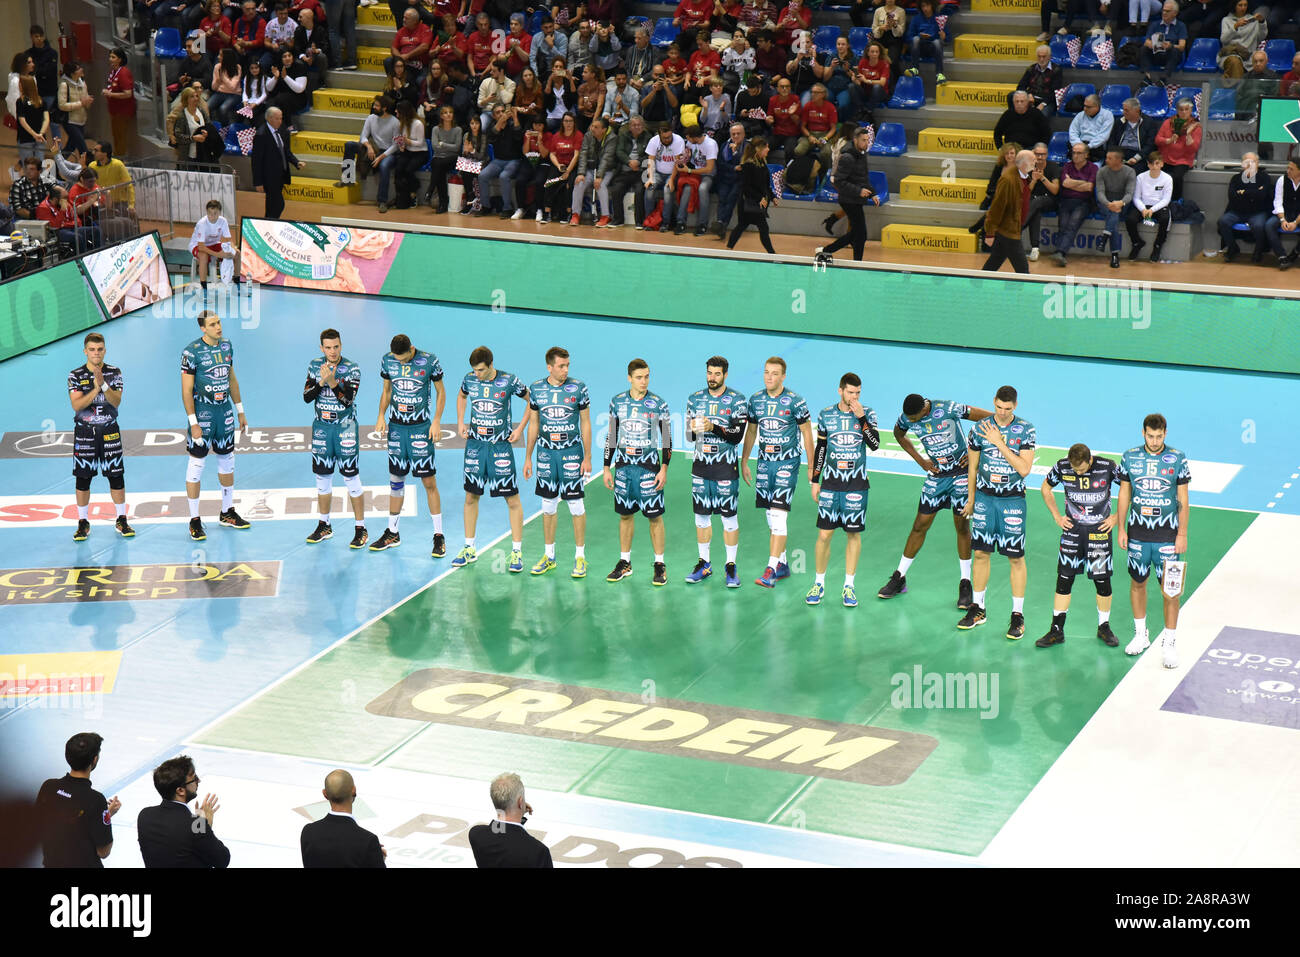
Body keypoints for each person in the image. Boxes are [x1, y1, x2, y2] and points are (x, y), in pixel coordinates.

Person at [878, 394, 993, 609]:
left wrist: (976, 450)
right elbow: (898, 434)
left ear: (924, 409)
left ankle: (965, 583)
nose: (911, 422)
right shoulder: (907, 417)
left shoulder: (949, 408)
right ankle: (899, 576)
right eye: (909, 419)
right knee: (920, 525)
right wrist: (920, 460)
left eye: (914, 418)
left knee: (961, 527)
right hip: (937, 476)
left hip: (961, 474)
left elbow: (990, 420)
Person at [957, 385, 1037, 638]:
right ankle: (978, 608)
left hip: (1012, 500)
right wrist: (970, 499)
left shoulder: (1026, 429)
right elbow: (972, 468)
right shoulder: (979, 429)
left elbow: (1024, 469)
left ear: (1015, 406)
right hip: (984, 499)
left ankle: (1017, 615)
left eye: (1008, 409)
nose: (1002, 413)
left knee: (1015, 558)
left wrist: (999, 444)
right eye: (999, 408)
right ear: (993, 402)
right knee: (980, 553)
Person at [1116, 413, 1190, 668]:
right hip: (1138, 533)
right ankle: (1141, 634)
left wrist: (1182, 533)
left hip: (1167, 535)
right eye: (1151, 435)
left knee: (1170, 590)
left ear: (1165, 434)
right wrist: (1121, 528)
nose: (1155, 440)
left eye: (1159, 436)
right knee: (1138, 583)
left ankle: (1169, 642)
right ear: (1143, 433)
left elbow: (1183, 498)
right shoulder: (1129, 457)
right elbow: (1124, 492)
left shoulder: (1178, 458)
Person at [803, 373, 879, 608]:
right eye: (850, 392)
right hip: (831, 484)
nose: (854, 397)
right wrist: (815, 480)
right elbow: (822, 449)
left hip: (856, 485)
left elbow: (874, 444)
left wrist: (862, 418)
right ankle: (818, 583)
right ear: (840, 391)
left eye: (857, 393)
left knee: (853, 535)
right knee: (824, 535)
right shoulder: (826, 414)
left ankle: (849, 585)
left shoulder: (867, 413)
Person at [1037, 443, 1122, 648]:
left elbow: (1130, 488)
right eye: (1076, 471)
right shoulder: (1062, 466)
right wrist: (1057, 517)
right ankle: (1056, 629)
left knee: (1102, 581)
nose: (1079, 473)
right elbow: (1045, 488)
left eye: (1082, 470)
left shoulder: (1107, 467)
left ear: (1090, 460)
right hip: (1072, 532)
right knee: (1064, 579)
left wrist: (1116, 517)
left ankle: (1104, 627)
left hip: (1099, 531)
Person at [454, 346, 529, 570]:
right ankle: (469, 548)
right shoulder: (470, 379)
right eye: (474, 370)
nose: (477, 374)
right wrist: (460, 422)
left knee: (512, 499)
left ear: (491, 365)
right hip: (475, 445)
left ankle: (516, 553)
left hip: (500, 447)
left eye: (481, 370)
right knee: (470, 497)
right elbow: (461, 396)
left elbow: (530, 402)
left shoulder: (509, 381)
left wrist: (520, 428)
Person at [741, 356, 813, 588]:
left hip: (787, 463)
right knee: (770, 516)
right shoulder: (756, 400)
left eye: (774, 373)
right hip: (764, 463)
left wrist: (812, 467)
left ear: (783, 376)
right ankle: (782, 563)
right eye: (766, 372)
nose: (769, 377)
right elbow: (751, 432)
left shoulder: (795, 401)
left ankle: (771, 568)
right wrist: (744, 461)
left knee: (779, 514)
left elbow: (807, 434)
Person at [372, 333, 446, 556]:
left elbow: (441, 392)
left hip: (420, 428)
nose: (401, 362)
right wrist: (380, 416)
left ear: (412, 349)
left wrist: (436, 422)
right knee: (396, 480)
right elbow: (387, 390)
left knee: (428, 481)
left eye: (404, 359)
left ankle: (438, 535)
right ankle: (392, 532)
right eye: (398, 359)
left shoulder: (429, 361)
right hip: (396, 428)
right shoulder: (388, 360)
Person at [522, 346, 592, 577]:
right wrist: (528, 457)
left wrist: (588, 457)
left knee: (576, 506)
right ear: (549, 367)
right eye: (561, 366)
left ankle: (580, 557)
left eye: (567, 365)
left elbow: (586, 423)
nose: (565, 369)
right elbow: (534, 424)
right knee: (548, 505)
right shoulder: (536, 389)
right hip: (546, 454)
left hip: (571, 453)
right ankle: (549, 556)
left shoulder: (578, 388)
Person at [181, 310, 250, 541]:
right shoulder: (191, 352)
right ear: (203, 328)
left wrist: (240, 410)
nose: (218, 327)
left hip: (224, 411)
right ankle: (194, 520)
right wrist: (194, 423)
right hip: (203, 412)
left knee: (227, 460)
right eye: (212, 324)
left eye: (219, 322)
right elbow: (186, 390)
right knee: (197, 464)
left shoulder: (227, 346)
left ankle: (227, 512)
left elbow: (232, 379)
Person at [603, 358, 672, 585]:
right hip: (623, 467)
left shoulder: (658, 404)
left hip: (649, 467)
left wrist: (663, 468)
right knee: (625, 515)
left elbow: (666, 440)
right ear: (629, 378)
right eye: (640, 377)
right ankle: (625, 562)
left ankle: (659, 564)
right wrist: (606, 467)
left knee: (654, 517)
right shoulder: (617, 402)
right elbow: (612, 436)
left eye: (647, 376)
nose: (644, 381)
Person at [683, 356, 748, 587]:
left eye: (717, 374)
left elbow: (737, 436)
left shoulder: (738, 401)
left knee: (728, 518)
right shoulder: (694, 399)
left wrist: (713, 427)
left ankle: (731, 566)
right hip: (700, 466)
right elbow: (689, 438)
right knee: (701, 517)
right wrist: (692, 429)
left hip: (725, 468)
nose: (712, 378)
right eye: (709, 373)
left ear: (725, 375)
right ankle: (705, 564)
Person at [302, 329, 368, 549]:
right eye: (328, 347)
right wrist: (321, 382)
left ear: (341, 345)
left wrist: (332, 382)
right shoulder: (314, 365)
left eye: (336, 347)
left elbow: (347, 401)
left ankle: (361, 528)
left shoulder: (352, 368)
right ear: (322, 348)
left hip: (345, 428)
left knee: (351, 478)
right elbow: (306, 397)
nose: (332, 351)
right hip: (321, 427)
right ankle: (324, 525)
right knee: (322, 479)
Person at [63, 333, 131, 541]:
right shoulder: (75, 375)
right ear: (85, 351)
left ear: (105, 350)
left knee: (116, 476)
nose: (96, 353)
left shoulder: (114, 372)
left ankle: (121, 519)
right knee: (83, 478)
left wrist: (103, 384)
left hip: (110, 431)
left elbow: (116, 401)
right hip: (85, 433)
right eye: (92, 349)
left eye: (99, 349)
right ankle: (83, 522)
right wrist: (95, 388)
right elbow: (77, 405)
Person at [35, 733, 121, 868]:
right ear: (94, 760)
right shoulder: (96, 800)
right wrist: (106, 817)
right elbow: (103, 851)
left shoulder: (49, 787)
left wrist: (103, 814)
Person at [137, 755, 231, 868]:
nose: (199, 780)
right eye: (194, 778)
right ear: (180, 790)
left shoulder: (145, 815)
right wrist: (204, 824)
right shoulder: (196, 825)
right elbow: (222, 860)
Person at [814, 126, 879, 264]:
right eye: (863, 140)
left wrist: (872, 193)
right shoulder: (847, 157)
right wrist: (859, 191)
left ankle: (827, 251)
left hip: (856, 198)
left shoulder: (861, 155)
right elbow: (838, 181)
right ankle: (855, 262)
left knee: (858, 234)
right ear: (855, 140)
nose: (866, 143)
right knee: (861, 234)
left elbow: (863, 179)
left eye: (868, 140)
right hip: (848, 199)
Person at [300, 770, 386, 867]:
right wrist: (378, 859)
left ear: (325, 794)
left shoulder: (309, 832)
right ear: (353, 790)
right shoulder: (368, 841)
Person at [467, 773, 552, 868]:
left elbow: (501, 832)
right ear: (520, 802)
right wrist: (520, 811)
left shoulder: (477, 835)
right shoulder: (539, 852)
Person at [337, 95, 399, 212]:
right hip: (373, 148)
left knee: (384, 166)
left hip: (387, 152)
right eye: (374, 105)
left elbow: (395, 145)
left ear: (384, 108)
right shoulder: (371, 118)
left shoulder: (395, 122)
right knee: (350, 145)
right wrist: (369, 146)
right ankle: (347, 179)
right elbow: (363, 136)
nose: (374, 107)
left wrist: (381, 157)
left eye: (376, 105)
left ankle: (382, 201)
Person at [981, 149, 1035, 273]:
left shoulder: (1023, 177)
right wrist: (989, 233)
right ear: (1024, 163)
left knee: (995, 261)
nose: (1035, 162)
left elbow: (1023, 197)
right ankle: (1019, 290)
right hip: (1008, 230)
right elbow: (997, 207)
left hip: (1014, 227)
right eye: (1033, 160)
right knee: (1023, 270)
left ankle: (976, 283)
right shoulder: (1008, 180)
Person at [250, 105, 305, 219]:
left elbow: (285, 150)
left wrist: (296, 162)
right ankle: (269, 223)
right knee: (279, 204)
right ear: (269, 119)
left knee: (272, 206)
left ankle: (268, 223)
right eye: (277, 118)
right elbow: (256, 161)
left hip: (280, 175)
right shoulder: (261, 135)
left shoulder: (281, 130)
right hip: (269, 177)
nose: (280, 121)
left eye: (281, 118)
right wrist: (258, 182)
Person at [726, 136, 777, 251]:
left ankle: (729, 248)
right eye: (766, 147)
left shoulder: (763, 164)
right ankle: (772, 254)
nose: (768, 149)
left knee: (741, 226)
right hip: (748, 203)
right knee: (763, 228)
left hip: (756, 203)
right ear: (759, 149)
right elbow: (746, 187)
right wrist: (760, 198)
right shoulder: (748, 165)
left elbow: (765, 185)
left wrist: (772, 197)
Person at [1217, 151, 1271, 261]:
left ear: (1258, 164)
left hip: (1258, 212)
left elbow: (1263, 196)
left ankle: (1258, 251)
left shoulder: (1264, 178)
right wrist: (1254, 192)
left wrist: (1243, 192)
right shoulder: (1236, 178)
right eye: (1247, 162)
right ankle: (1232, 248)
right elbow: (1232, 197)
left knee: (1259, 226)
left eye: (1253, 162)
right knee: (1223, 221)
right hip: (1237, 212)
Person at [1053, 141, 1098, 266]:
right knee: (1063, 225)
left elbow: (1089, 187)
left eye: (1079, 153)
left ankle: (1061, 252)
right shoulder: (1067, 166)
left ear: (1086, 155)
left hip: (1083, 202)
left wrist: (1072, 182)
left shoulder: (1093, 168)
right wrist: (1081, 182)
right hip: (1066, 201)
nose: (1076, 155)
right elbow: (1064, 184)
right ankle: (1059, 251)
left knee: (1072, 223)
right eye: (1074, 153)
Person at [480, 103, 526, 217]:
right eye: (498, 112)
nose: (501, 114)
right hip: (498, 160)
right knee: (482, 175)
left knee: (504, 176)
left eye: (502, 111)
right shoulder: (492, 125)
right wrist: (500, 122)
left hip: (514, 160)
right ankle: (486, 206)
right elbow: (492, 136)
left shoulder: (512, 123)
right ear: (493, 116)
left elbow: (519, 136)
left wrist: (515, 117)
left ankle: (507, 208)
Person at [1126, 151, 1173, 262]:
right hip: (1143, 206)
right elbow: (1136, 197)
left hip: (1159, 206)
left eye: (1157, 163)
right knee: (1130, 219)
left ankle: (1157, 246)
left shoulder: (1167, 178)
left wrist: (1152, 210)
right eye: (1151, 164)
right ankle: (1137, 243)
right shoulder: (1140, 177)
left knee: (1165, 219)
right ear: (1148, 164)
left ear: (1162, 164)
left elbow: (1166, 199)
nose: (1154, 166)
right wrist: (1143, 209)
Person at [607, 113, 652, 226]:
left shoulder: (648, 137)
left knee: (640, 191)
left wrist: (638, 162)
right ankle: (618, 219)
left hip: (640, 171)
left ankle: (639, 221)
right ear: (630, 127)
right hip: (625, 170)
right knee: (616, 189)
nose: (637, 127)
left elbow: (650, 155)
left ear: (643, 126)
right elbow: (619, 151)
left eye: (639, 125)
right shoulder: (623, 135)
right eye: (634, 125)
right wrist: (629, 161)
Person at [571, 114, 615, 225]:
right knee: (579, 183)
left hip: (607, 170)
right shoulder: (588, 135)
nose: (592, 129)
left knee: (600, 185)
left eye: (596, 127)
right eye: (592, 126)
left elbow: (606, 158)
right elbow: (583, 154)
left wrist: (599, 177)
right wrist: (581, 173)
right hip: (590, 169)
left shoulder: (612, 138)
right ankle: (575, 214)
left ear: (604, 130)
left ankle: (605, 216)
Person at [1096, 147, 1136, 268]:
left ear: (1119, 160)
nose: (1106, 160)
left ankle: (1105, 238)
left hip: (1123, 203)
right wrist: (1109, 204)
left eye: (1109, 158)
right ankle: (1114, 255)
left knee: (1114, 215)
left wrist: (1120, 203)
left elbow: (1130, 194)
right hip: (1105, 203)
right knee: (1114, 215)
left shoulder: (1129, 172)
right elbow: (1100, 193)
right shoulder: (1101, 171)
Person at [674, 124, 717, 234]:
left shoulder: (710, 144)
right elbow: (685, 156)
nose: (687, 140)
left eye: (688, 138)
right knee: (687, 188)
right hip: (694, 173)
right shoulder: (690, 143)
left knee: (702, 189)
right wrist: (681, 160)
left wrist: (689, 171)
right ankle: (680, 222)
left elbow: (709, 168)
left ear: (694, 137)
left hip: (707, 174)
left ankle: (702, 224)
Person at [1154, 97, 1201, 200]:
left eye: (1186, 109)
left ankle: (1175, 201)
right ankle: (1156, 200)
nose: (1183, 112)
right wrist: (1168, 140)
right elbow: (1157, 140)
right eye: (1181, 109)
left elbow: (1194, 149)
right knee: (1155, 173)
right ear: (1177, 110)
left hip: (1182, 160)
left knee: (1175, 177)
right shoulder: (1168, 122)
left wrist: (1188, 136)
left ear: (1190, 110)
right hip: (1165, 158)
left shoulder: (1195, 126)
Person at [646, 121, 686, 233]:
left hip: (673, 173)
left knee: (667, 190)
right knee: (649, 188)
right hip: (658, 172)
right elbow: (650, 160)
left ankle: (665, 223)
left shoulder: (678, 140)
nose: (667, 139)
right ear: (659, 135)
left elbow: (677, 163)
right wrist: (650, 177)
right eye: (665, 138)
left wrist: (672, 180)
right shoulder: (653, 141)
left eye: (669, 137)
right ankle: (650, 221)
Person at [37, 184, 102, 251]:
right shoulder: (43, 208)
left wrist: (66, 224)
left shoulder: (64, 201)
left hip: (71, 228)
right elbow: (56, 226)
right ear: (55, 199)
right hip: (57, 233)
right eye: (64, 198)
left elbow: (77, 221)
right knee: (77, 237)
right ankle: (83, 258)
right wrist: (62, 210)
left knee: (96, 230)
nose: (66, 200)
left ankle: (98, 254)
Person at [189, 199, 237, 288]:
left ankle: (237, 281)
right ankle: (204, 286)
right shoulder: (202, 223)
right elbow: (201, 247)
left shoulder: (223, 221)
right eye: (210, 213)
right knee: (204, 256)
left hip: (214, 244)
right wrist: (219, 254)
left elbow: (229, 240)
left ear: (219, 213)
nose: (212, 216)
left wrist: (233, 250)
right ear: (207, 213)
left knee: (237, 253)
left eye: (215, 213)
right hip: (197, 245)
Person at [1106, 97, 1160, 172]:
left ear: (1137, 111)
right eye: (1123, 109)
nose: (1123, 112)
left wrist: (1136, 158)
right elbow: (1112, 141)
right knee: (1106, 169)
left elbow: (1150, 145)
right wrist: (1115, 155)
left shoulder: (1149, 123)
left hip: (1139, 155)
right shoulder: (1119, 122)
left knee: (1133, 172)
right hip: (1120, 152)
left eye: (1126, 110)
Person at [391, 100, 427, 210]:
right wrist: (402, 145)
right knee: (399, 169)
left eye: (398, 113)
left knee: (408, 170)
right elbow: (403, 139)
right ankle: (400, 196)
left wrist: (408, 141)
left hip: (420, 152)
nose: (397, 115)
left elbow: (420, 142)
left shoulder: (418, 124)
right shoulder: (402, 123)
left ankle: (414, 190)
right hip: (408, 150)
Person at [426, 104, 463, 211]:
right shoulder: (435, 129)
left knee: (438, 166)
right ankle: (443, 203)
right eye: (446, 113)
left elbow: (456, 148)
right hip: (438, 158)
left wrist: (442, 144)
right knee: (438, 167)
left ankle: (432, 191)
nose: (448, 115)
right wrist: (444, 146)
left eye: (450, 112)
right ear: (441, 116)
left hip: (452, 159)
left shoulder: (458, 130)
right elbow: (435, 147)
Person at [1141, 0, 1188, 81]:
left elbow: (1182, 46)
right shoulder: (1155, 24)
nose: (1164, 13)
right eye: (1163, 10)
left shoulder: (1181, 26)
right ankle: (1147, 76)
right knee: (1143, 49)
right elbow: (1146, 41)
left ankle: (1164, 77)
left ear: (1175, 13)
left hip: (1170, 54)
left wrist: (1171, 46)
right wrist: (1152, 44)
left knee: (1175, 51)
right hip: (1156, 53)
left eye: (1167, 11)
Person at [713, 121, 746, 237]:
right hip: (725, 178)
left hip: (739, 180)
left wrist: (735, 152)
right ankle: (720, 224)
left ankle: (722, 224)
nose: (736, 136)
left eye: (738, 133)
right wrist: (733, 168)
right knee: (722, 199)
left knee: (731, 199)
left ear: (744, 134)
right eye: (733, 134)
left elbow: (745, 165)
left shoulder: (748, 147)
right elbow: (720, 163)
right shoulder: (724, 146)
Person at [1217, 0, 1267, 77]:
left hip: (1248, 56)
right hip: (1231, 54)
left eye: (1245, 5)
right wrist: (1235, 26)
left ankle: (1232, 85)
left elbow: (1261, 37)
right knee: (1235, 62)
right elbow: (1224, 39)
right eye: (1240, 5)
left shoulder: (1253, 20)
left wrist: (1261, 22)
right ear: (1234, 6)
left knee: (1258, 62)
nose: (1243, 8)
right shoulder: (1226, 20)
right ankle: (1237, 87)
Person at [103, 48, 137, 161]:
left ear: (120, 59)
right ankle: (118, 156)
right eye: (110, 57)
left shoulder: (123, 73)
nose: (110, 59)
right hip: (114, 110)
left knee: (120, 136)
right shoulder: (113, 72)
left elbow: (127, 93)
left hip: (123, 111)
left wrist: (111, 94)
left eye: (113, 57)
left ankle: (121, 160)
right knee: (116, 135)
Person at [1267, 157, 1300, 267]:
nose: (1288, 171)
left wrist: (1295, 222)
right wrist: (1282, 219)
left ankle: (1295, 253)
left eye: (1291, 169)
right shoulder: (1282, 180)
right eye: (1287, 168)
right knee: (1269, 225)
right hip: (1284, 213)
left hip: (1298, 215)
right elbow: (1277, 202)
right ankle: (1282, 256)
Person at [903, 0, 946, 83]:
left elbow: (948, 38)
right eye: (923, 6)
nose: (925, 8)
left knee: (937, 42)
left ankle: (939, 74)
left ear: (932, 5)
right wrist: (920, 36)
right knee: (915, 39)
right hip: (919, 49)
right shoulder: (916, 19)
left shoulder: (939, 19)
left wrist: (944, 37)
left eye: (927, 5)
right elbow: (909, 37)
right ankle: (915, 68)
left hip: (933, 49)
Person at [57, 63, 93, 158]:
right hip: (70, 121)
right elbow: (62, 105)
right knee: (83, 149)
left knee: (70, 147)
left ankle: (54, 168)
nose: (81, 69)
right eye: (78, 69)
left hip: (81, 120)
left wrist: (88, 101)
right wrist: (81, 103)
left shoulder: (82, 83)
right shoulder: (64, 85)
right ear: (72, 73)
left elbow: (85, 102)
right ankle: (91, 170)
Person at [1015, 44, 1062, 116]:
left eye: (1044, 56)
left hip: (1047, 100)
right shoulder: (1031, 68)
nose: (1041, 59)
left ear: (1049, 57)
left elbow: (1055, 92)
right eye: (1039, 56)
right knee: (1011, 96)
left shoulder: (1056, 70)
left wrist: (1043, 104)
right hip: (1031, 98)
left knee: (1042, 114)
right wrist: (1027, 95)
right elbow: (1020, 86)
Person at [1068, 94, 1113, 164]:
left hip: (1096, 147)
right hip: (1079, 145)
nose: (1085, 109)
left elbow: (1103, 136)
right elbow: (1073, 132)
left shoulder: (1107, 115)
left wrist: (1088, 146)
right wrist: (1079, 145)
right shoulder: (1080, 115)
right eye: (1084, 105)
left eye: (1088, 107)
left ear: (1097, 106)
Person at [14, 75, 49, 165]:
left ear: (23, 86)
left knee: (28, 167)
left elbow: (22, 120)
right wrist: (40, 134)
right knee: (39, 167)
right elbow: (46, 119)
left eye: (19, 83)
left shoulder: (20, 102)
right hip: (41, 138)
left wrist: (34, 135)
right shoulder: (41, 101)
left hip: (25, 138)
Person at [209, 48, 244, 124]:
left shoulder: (237, 67)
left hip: (234, 95)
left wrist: (222, 76)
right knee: (207, 106)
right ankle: (211, 126)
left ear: (227, 57)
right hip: (220, 93)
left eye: (220, 55)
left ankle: (225, 129)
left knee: (223, 108)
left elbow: (233, 87)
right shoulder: (217, 67)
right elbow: (214, 87)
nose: (218, 57)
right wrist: (218, 81)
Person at [8, 155, 48, 220]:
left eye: (32, 169)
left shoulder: (46, 182)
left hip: (45, 218)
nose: (28, 172)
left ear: (39, 171)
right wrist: (38, 219)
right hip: (25, 220)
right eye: (26, 169)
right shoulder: (17, 185)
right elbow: (18, 209)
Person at [871, 0, 906, 70]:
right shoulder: (878, 11)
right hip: (880, 37)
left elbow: (901, 32)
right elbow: (874, 30)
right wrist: (881, 28)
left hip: (895, 39)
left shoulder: (901, 11)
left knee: (892, 62)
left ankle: (895, 79)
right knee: (873, 58)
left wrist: (894, 25)